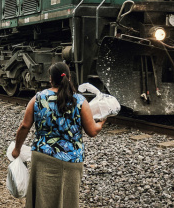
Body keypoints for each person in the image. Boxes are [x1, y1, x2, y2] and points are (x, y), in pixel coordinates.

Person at [12, 62, 106, 208]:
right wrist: (101, 122)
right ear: (69, 78)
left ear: (51, 79)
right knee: (67, 201)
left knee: (42, 201)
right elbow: (92, 131)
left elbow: (24, 126)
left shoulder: (38, 98)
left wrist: (17, 149)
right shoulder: (80, 101)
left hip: (43, 156)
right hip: (72, 159)